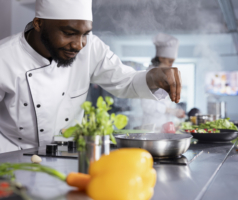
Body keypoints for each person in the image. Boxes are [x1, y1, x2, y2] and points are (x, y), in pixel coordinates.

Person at [0, 0, 182, 153]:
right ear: (39, 23)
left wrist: (153, 77)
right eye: (69, 33)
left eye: (85, 34)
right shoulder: (5, 57)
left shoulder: (91, 48)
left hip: (68, 157)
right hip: (13, 159)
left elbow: (125, 81)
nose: (79, 45)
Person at [141, 33, 185, 130]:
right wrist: (170, 111)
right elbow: (147, 105)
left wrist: (173, 113)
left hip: (163, 128)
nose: (171, 65)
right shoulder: (148, 76)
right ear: (161, 58)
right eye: (170, 61)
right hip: (151, 128)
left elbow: (164, 102)